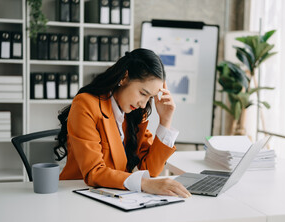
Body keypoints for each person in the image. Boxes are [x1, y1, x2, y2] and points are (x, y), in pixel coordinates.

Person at [55, 48, 190, 203]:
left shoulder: (136, 113)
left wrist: (165, 121)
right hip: (78, 196)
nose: (143, 104)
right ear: (125, 78)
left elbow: (150, 170)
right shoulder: (86, 105)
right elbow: (94, 172)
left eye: (150, 98)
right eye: (143, 93)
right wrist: (144, 184)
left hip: (117, 197)